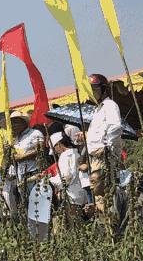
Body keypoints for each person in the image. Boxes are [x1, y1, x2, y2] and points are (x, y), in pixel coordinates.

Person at [84, 73, 123, 215]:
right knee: (98, 194)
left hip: (104, 156)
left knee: (106, 191)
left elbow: (116, 127)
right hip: (95, 157)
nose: (91, 93)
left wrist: (106, 147)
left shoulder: (109, 105)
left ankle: (113, 222)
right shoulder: (97, 109)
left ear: (103, 89)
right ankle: (105, 224)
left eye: (94, 89)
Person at [3, 111, 45, 216]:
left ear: (22, 122)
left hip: (34, 173)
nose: (13, 126)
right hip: (21, 177)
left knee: (37, 204)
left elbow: (40, 149)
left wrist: (22, 157)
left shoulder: (35, 133)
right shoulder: (15, 140)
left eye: (15, 123)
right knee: (27, 206)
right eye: (11, 124)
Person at [47, 131, 89, 218]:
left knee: (73, 222)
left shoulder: (65, 156)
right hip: (80, 193)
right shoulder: (75, 153)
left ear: (59, 144)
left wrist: (50, 181)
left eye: (54, 148)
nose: (55, 152)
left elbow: (66, 177)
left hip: (71, 195)